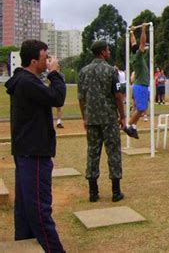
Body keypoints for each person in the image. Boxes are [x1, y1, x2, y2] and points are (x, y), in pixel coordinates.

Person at [5, 39, 66, 252]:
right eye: (44, 57)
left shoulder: (22, 80)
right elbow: (57, 98)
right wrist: (55, 73)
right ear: (33, 61)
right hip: (35, 154)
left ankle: (24, 245)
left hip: (26, 152)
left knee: (25, 209)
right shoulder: (28, 82)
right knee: (40, 210)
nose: (48, 61)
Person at [78, 40, 127, 203]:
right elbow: (118, 95)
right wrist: (123, 115)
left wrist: (84, 116)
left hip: (91, 118)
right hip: (108, 118)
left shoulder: (83, 71)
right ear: (102, 52)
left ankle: (93, 191)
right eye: (108, 50)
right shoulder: (111, 70)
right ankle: (116, 191)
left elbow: (81, 98)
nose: (110, 52)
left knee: (93, 152)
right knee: (113, 151)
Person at [125, 23, 149, 138]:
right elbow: (142, 43)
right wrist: (144, 30)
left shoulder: (133, 56)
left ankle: (133, 127)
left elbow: (133, 44)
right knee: (140, 109)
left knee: (141, 108)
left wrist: (132, 33)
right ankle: (128, 125)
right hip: (141, 86)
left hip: (139, 85)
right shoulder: (138, 57)